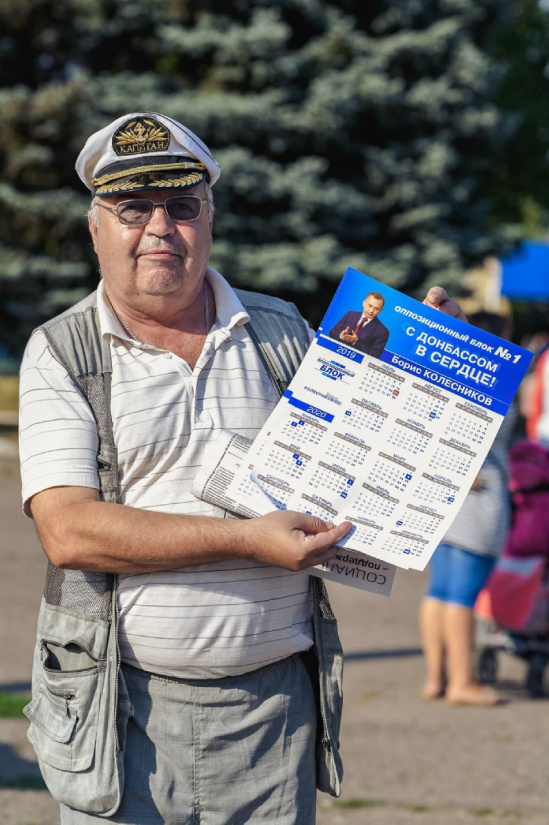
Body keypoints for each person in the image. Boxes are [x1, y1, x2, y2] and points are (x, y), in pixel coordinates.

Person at [19, 111, 465, 824]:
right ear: (95, 227)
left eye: (182, 206)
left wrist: (433, 374)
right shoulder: (62, 350)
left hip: (275, 718)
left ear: (210, 219)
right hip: (121, 712)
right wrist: (245, 540)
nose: (160, 227)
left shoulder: (282, 331)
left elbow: (361, 465)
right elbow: (69, 531)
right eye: (133, 208)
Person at [419, 312, 517, 707]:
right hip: (476, 507)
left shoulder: (447, 379)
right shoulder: (493, 385)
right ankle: (463, 682)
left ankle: (436, 678)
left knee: (440, 591)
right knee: (462, 596)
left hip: (444, 504)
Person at [328, 291, 389, 358]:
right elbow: (332, 332)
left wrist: (355, 342)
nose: (371, 311)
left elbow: (375, 355)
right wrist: (341, 335)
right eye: (370, 306)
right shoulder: (350, 314)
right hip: (333, 354)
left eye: (376, 309)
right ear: (364, 303)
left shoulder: (383, 331)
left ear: (380, 311)